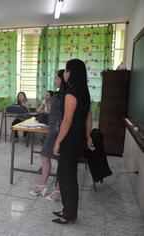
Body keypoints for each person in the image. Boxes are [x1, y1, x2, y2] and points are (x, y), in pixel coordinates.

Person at [52, 59, 94, 224]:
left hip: (69, 139)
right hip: (78, 139)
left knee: (67, 177)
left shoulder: (71, 93)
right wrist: (88, 136)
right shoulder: (84, 91)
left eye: (66, 71)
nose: (65, 73)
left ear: (71, 73)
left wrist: (57, 142)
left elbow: (67, 120)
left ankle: (69, 214)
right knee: (64, 175)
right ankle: (66, 209)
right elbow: (88, 117)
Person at [29, 70, 67, 201]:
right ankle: (42, 185)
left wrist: (56, 129)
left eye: (57, 78)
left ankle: (58, 191)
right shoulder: (57, 94)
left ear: (64, 79)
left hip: (58, 131)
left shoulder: (66, 95)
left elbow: (64, 116)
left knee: (60, 160)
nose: (55, 81)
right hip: (53, 129)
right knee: (45, 155)